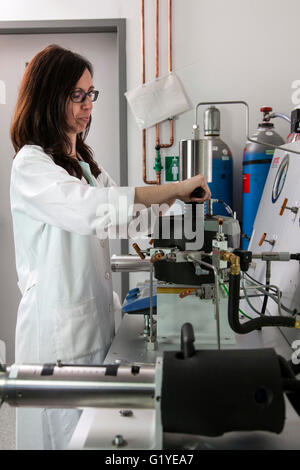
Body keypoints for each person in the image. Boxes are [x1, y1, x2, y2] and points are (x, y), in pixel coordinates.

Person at [9, 44, 210, 450]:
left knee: (92, 432)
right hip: (58, 329)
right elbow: (90, 210)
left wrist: (176, 215)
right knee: (64, 433)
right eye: (77, 95)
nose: (87, 106)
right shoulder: (30, 164)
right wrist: (171, 188)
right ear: (50, 98)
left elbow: (126, 218)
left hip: (93, 319)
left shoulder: (84, 163)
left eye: (91, 93)